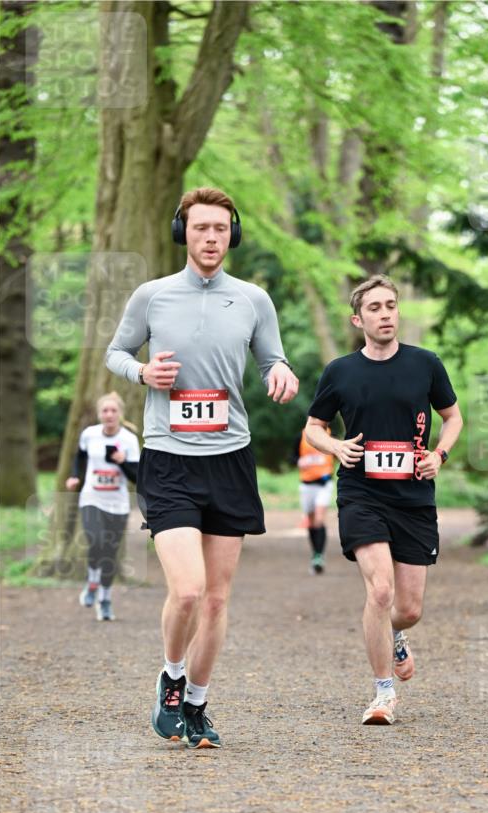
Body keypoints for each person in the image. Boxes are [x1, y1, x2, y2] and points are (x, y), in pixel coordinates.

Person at [105, 187, 298, 749]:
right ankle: (171, 677)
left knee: (216, 599)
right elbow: (115, 353)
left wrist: (279, 373)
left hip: (230, 459)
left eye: (220, 228)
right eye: (200, 228)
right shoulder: (152, 296)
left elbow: (272, 357)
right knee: (187, 590)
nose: (210, 238)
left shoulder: (254, 299)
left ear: (231, 235)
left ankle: (197, 704)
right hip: (168, 458)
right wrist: (142, 374)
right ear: (182, 233)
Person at [305, 275, 463, 726]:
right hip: (361, 492)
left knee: (408, 608)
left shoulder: (425, 364)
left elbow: (452, 418)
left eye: (391, 305)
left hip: (413, 496)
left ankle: (395, 635)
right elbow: (313, 427)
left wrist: (439, 454)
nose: (386, 313)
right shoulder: (340, 371)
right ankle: (382, 692)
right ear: (358, 319)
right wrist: (335, 447)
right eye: (374, 308)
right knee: (380, 589)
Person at [65, 392, 140, 621]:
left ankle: (104, 599)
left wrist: (122, 461)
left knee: (109, 554)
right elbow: (79, 457)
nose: (109, 415)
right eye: (105, 411)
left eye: (113, 411)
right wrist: (74, 477)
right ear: (99, 414)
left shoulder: (129, 440)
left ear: (120, 414)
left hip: (117, 504)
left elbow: (137, 477)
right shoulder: (90, 435)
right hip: (92, 498)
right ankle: (92, 582)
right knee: (96, 540)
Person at [292, 427, 334, 573]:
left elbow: (337, 453)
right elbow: (292, 457)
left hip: (324, 483)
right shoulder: (301, 436)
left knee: (319, 520)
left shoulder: (330, 434)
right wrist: (299, 461)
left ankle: (319, 556)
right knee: (310, 521)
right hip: (307, 484)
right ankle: (315, 553)